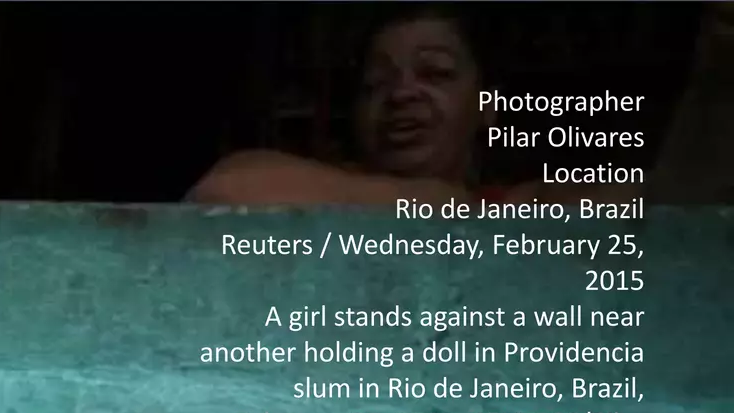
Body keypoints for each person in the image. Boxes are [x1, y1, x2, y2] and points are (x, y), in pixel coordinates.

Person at [188, 2, 732, 206]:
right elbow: (225, 187)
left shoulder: (519, 205)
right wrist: (432, 200)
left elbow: (679, 209)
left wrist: (716, 75)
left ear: (486, 106)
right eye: (376, 84)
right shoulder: (328, 191)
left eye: (435, 73)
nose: (402, 93)